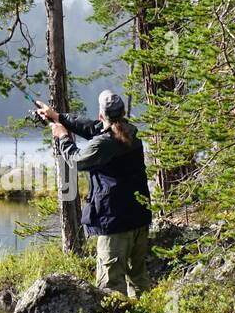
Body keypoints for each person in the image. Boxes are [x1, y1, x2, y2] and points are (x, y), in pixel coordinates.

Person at [34, 91, 153, 297]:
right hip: (139, 220)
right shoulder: (131, 132)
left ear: (101, 115)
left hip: (115, 224)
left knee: (110, 287)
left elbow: (77, 160)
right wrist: (58, 117)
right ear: (123, 112)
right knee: (138, 279)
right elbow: (92, 128)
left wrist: (62, 136)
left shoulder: (104, 143)